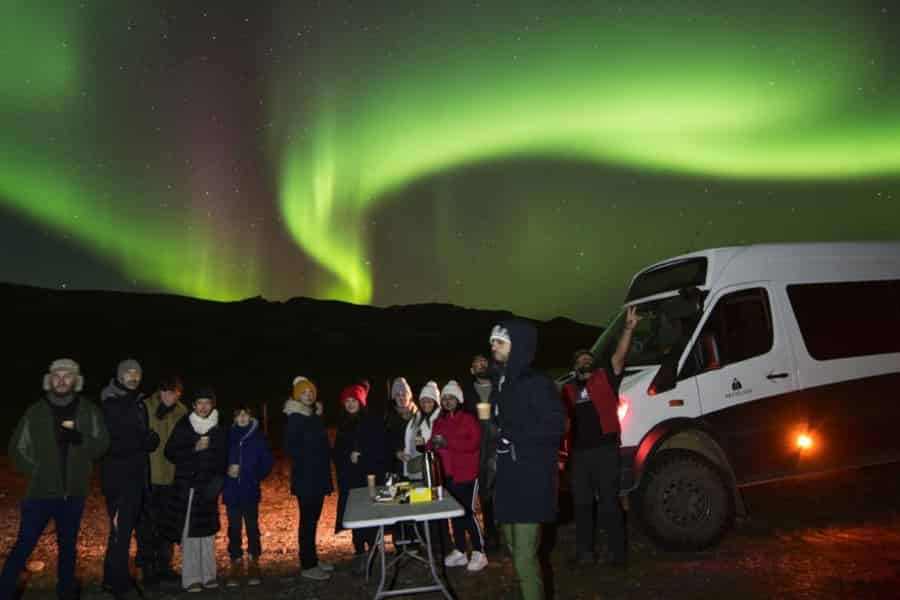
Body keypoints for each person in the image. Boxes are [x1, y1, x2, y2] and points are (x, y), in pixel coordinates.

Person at [0, 359, 109, 600]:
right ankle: (4, 591)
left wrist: (79, 439)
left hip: (74, 493)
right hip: (39, 493)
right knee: (24, 544)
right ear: (49, 380)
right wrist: (36, 470)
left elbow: (102, 445)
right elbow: (16, 449)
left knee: (68, 548)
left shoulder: (88, 411)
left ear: (76, 381)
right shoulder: (35, 411)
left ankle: (66, 592)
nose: (61, 380)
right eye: (56, 375)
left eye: (67, 376)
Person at [490, 321, 566, 600]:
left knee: (524, 557)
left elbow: (557, 426)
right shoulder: (503, 383)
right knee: (512, 546)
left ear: (518, 346)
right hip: (510, 481)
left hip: (531, 481)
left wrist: (513, 436)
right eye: (492, 341)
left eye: (500, 341)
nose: (493, 346)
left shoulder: (537, 382)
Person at [561, 305, 641, 566]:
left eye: (588, 358)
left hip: (605, 452)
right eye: (580, 359)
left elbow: (619, 355)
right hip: (579, 456)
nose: (586, 360)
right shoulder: (567, 390)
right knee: (582, 505)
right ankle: (585, 552)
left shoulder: (605, 378)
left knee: (609, 503)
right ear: (574, 366)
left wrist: (628, 328)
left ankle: (618, 552)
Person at [100, 359, 160, 599]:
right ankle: (118, 584)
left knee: (124, 530)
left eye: (137, 373)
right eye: (128, 373)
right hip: (119, 478)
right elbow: (109, 442)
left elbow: (136, 434)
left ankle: (113, 578)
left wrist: (147, 440)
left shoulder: (137, 402)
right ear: (119, 375)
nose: (133, 377)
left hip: (136, 476)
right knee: (120, 531)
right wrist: (143, 442)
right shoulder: (112, 403)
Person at [162, 388, 227, 593]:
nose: (203, 407)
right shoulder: (185, 425)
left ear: (212, 405)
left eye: (207, 403)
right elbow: (170, 452)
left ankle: (209, 575)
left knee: (207, 534)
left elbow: (223, 456)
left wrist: (217, 482)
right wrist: (193, 449)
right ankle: (191, 578)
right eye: (199, 403)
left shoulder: (217, 427)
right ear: (193, 405)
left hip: (208, 489)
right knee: (189, 533)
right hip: (188, 487)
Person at [431, 380, 487, 572]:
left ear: (458, 399)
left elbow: (474, 444)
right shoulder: (439, 421)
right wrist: (428, 445)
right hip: (448, 475)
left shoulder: (468, 419)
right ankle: (461, 550)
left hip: (468, 474)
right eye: (444, 398)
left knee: (467, 512)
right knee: (454, 513)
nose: (447, 401)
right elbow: (434, 443)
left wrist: (448, 443)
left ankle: (480, 551)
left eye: (451, 398)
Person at [137, 374, 186, 586]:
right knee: (147, 526)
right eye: (166, 391)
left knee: (168, 525)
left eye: (174, 392)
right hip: (149, 476)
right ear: (160, 391)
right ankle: (148, 568)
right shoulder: (145, 407)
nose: (170, 396)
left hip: (172, 477)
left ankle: (165, 565)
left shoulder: (182, 412)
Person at [284, 377, 334, 582]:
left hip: (317, 475)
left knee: (313, 520)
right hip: (306, 478)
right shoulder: (296, 417)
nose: (309, 395)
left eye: (311, 392)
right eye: (304, 392)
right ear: (297, 396)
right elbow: (290, 447)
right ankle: (308, 564)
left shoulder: (313, 416)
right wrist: (309, 453)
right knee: (307, 521)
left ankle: (313, 558)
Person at [333, 381, 386, 576]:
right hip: (349, 477)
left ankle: (374, 549)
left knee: (370, 512)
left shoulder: (371, 420)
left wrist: (361, 452)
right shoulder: (343, 422)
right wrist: (346, 455)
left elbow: (380, 446)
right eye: (346, 401)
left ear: (360, 401)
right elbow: (337, 451)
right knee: (354, 513)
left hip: (369, 476)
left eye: (353, 400)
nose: (350, 404)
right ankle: (359, 553)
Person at [224, 404, 274, 587]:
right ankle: (236, 561)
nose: (243, 418)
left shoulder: (258, 437)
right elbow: (219, 458)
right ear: (234, 418)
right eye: (239, 415)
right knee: (234, 528)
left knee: (252, 527)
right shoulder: (227, 435)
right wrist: (226, 471)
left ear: (251, 417)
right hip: (231, 491)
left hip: (250, 490)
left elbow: (267, 461)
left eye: (246, 414)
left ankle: (254, 560)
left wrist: (254, 475)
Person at [464, 353, 501, 551]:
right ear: (472, 370)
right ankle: (491, 533)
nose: (481, 365)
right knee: (485, 491)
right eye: (476, 363)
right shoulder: (467, 393)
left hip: (501, 443)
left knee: (505, 489)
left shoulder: (501, 386)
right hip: (480, 447)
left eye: (484, 362)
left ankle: (508, 530)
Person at [403, 381, 441, 482]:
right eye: (423, 401)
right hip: (414, 472)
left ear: (435, 402)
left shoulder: (441, 420)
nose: (425, 404)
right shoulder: (415, 419)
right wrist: (406, 470)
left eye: (429, 401)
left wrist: (425, 446)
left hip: (433, 472)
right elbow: (407, 447)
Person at [385, 376, 417, 476]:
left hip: (417, 465)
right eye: (397, 395)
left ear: (410, 395)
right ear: (394, 398)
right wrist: (396, 452)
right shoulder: (389, 417)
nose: (401, 397)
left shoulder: (419, 416)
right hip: (397, 468)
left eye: (404, 394)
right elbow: (386, 441)